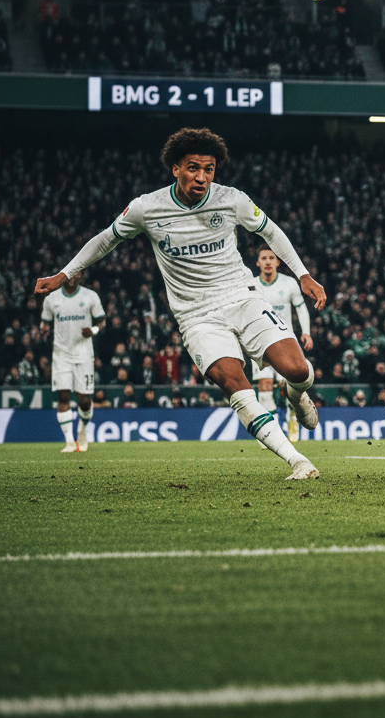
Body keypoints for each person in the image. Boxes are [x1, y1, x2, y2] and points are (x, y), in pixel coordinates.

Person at [35, 127, 326, 481]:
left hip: (242, 297)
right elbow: (105, 240)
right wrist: (64, 274)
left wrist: (303, 275)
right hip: (196, 315)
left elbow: (271, 231)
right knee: (235, 383)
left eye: (209, 169)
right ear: (176, 169)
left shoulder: (232, 199)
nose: (201, 177)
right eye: (193, 168)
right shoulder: (147, 208)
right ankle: (297, 461)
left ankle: (296, 396)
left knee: (296, 370)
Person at [252, 244, 314, 442]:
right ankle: (270, 433)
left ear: (278, 262)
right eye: (264, 258)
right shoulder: (251, 285)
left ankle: (293, 417)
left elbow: (301, 308)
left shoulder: (289, 284)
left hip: (284, 341)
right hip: (260, 342)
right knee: (264, 385)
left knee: (286, 386)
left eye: (272, 258)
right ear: (257, 263)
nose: (268, 261)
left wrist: (306, 332)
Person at [40, 272, 105, 452]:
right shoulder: (52, 298)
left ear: (81, 277)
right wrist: (43, 330)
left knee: (84, 400)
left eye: (76, 275)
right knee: (63, 396)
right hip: (61, 354)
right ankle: (69, 441)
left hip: (84, 354)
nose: (72, 278)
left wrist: (93, 330)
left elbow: (102, 322)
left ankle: (82, 430)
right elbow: (44, 323)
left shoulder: (90, 296)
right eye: (69, 275)